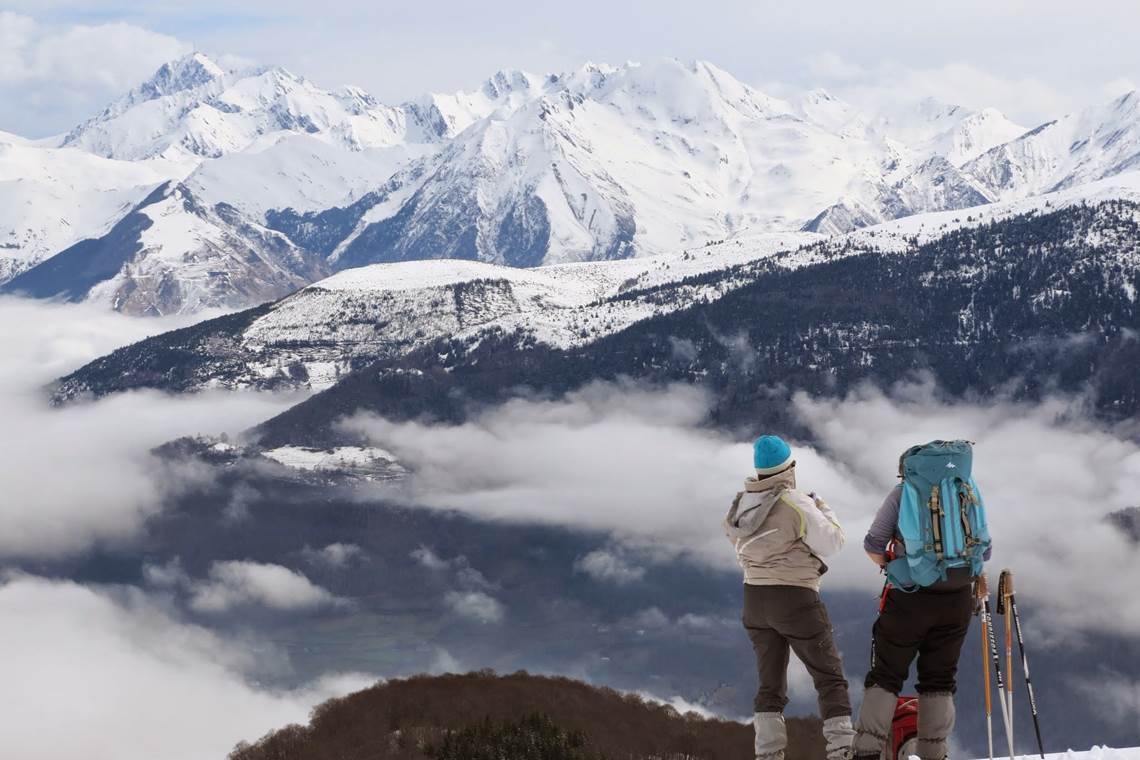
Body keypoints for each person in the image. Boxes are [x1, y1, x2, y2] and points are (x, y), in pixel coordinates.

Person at [724, 434, 854, 760]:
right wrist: (822, 506)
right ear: (789, 468)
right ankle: (842, 751)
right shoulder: (796, 502)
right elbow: (834, 542)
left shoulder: (741, 505)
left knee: (770, 686)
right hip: (795, 598)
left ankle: (768, 755)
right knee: (829, 677)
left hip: (754, 599)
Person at [850, 466, 993, 760]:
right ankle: (934, 754)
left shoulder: (903, 494)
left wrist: (893, 567)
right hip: (957, 599)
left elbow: (874, 544)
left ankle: (866, 753)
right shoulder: (966, 490)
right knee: (940, 679)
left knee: (886, 676)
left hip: (909, 598)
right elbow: (985, 551)